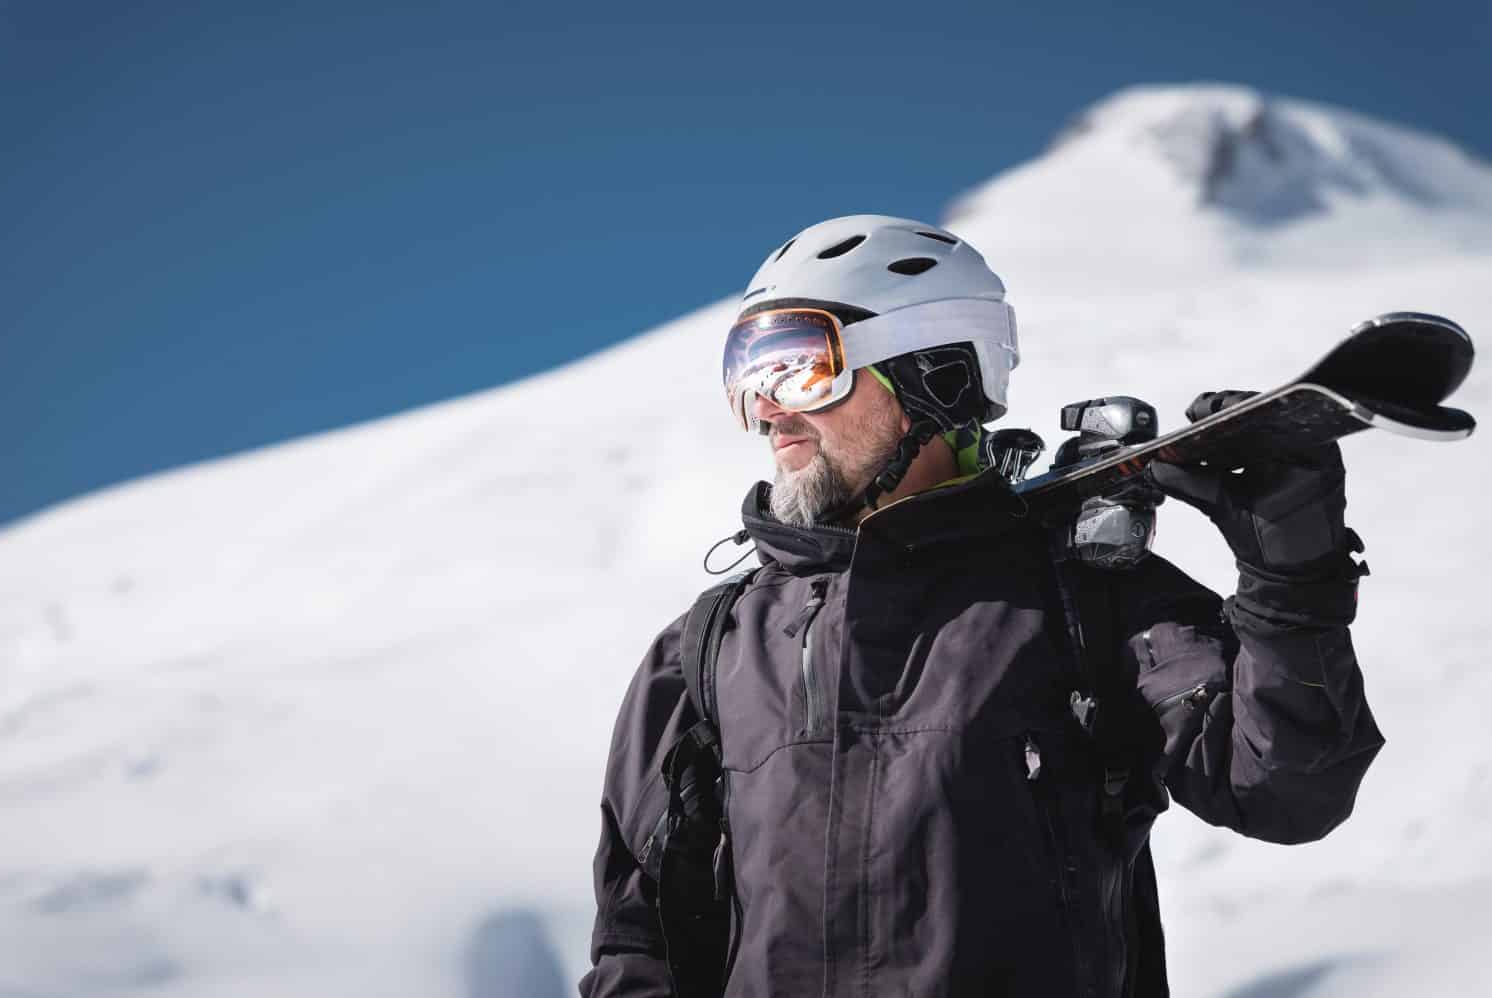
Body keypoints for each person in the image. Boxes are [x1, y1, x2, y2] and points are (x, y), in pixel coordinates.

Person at [579, 215, 1382, 997]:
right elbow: (636, 939)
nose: (769, 407)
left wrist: (1291, 584)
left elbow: (1284, 791)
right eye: (747, 372)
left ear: (937, 373)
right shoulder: (709, 648)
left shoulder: (1083, 594)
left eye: (797, 364)